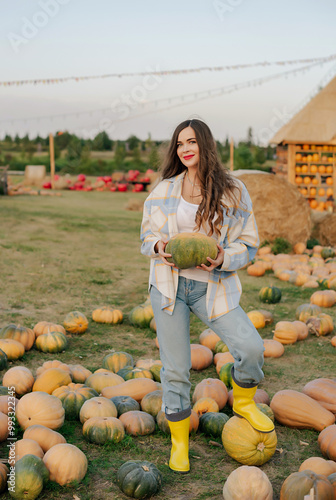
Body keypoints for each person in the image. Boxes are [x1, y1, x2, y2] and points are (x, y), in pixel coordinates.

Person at [140, 119, 274, 474]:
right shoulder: (163, 190)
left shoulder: (233, 191)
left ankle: (244, 399)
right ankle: (180, 443)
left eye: (192, 142)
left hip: (212, 287)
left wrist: (223, 258)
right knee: (176, 370)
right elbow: (145, 239)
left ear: (205, 145)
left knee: (251, 349)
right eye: (180, 143)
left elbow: (249, 245)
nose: (185, 148)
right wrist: (159, 246)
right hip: (169, 287)